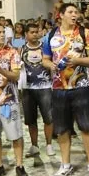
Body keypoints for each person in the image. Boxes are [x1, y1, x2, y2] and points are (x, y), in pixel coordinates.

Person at [41, 3, 89, 176]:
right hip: (58, 89)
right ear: (61, 15)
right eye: (70, 12)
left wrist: (77, 61)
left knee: (86, 127)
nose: (74, 15)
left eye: (76, 12)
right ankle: (65, 165)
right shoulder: (50, 36)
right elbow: (45, 59)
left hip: (81, 86)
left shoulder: (85, 33)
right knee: (62, 130)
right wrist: (50, 65)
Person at [0, 23, 26, 176]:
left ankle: (19, 166)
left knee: (15, 135)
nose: (2, 35)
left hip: (8, 100)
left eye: (3, 32)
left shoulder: (11, 52)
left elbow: (16, 76)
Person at [22, 23, 55, 158]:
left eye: (37, 32)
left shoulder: (46, 49)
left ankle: (49, 145)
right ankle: (34, 146)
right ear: (26, 34)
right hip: (28, 89)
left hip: (45, 87)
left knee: (48, 118)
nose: (35, 34)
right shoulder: (21, 50)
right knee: (31, 120)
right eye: (32, 32)